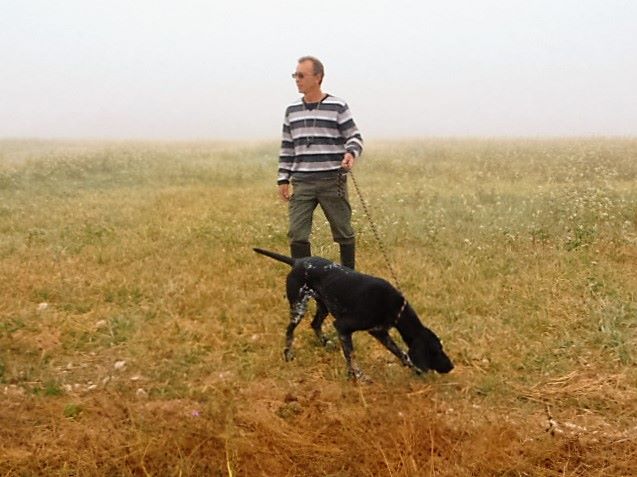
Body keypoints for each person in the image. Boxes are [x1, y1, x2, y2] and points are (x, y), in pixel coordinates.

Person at [277, 56, 363, 269]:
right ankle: (304, 281)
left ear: (318, 77)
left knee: (343, 232)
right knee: (297, 233)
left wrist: (350, 154)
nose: (297, 79)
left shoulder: (338, 106)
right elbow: (287, 146)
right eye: (295, 75)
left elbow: (355, 137)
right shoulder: (292, 111)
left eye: (301, 75)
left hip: (331, 180)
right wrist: (283, 179)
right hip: (302, 181)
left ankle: (348, 278)